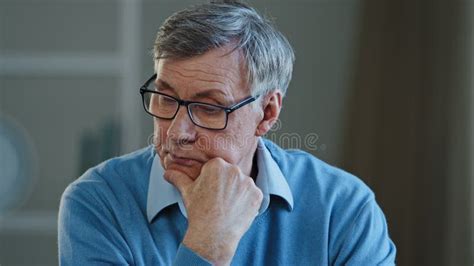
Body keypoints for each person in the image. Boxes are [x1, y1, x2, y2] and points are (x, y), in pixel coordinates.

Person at [58, 1, 396, 265]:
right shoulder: (98, 202)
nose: (177, 132)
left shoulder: (345, 209)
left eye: (209, 108)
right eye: (165, 98)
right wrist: (208, 244)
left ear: (267, 113)